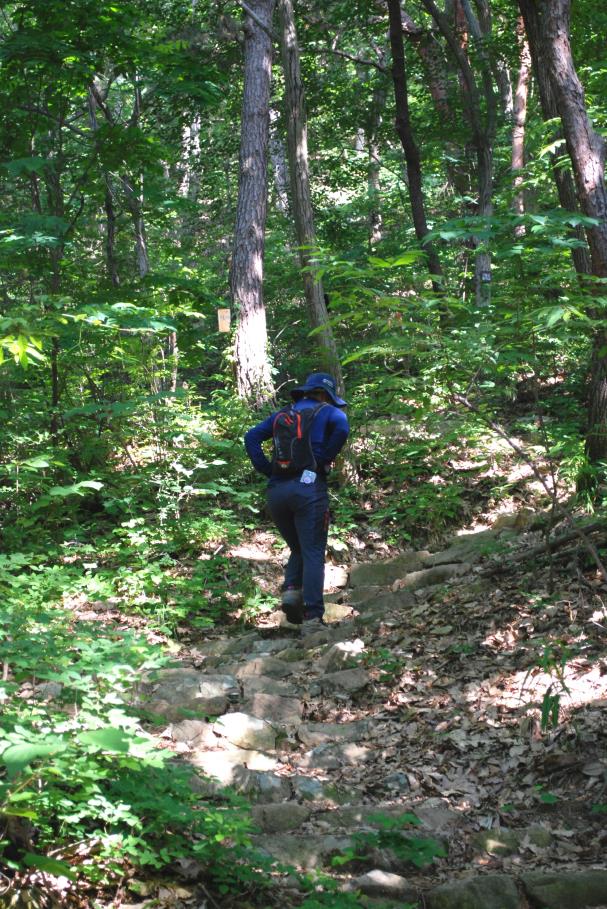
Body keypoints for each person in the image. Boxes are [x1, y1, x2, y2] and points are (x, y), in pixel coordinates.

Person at [244, 372, 350, 635]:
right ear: (324, 394)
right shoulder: (330, 412)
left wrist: (268, 470)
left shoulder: (285, 413)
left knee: (300, 547)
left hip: (277, 491)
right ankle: (313, 616)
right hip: (308, 491)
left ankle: (292, 591)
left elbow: (251, 437)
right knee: (313, 551)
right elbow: (343, 427)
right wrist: (325, 457)